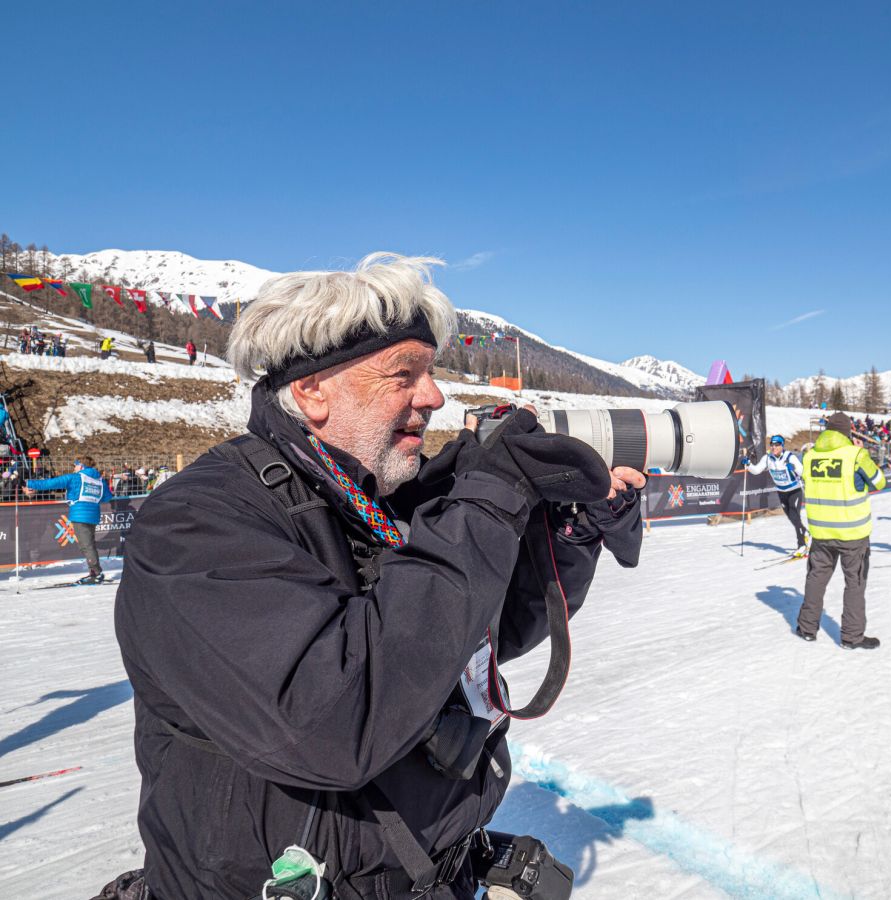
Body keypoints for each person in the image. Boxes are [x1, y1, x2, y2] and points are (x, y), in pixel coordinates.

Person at [102, 254, 645, 900]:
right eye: (404, 374)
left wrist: (569, 535)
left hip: (428, 876)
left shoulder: (378, 499)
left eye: (431, 372)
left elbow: (478, 634)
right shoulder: (199, 524)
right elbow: (334, 720)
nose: (435, 396)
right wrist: (488, 500)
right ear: (313, 390)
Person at [795, 412, 887, 648]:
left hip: (821, 531)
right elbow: (879, 481)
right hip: (852, 532)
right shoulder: (855, 455)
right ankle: (851, 637)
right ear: (847, 432)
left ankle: (807, 628)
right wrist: (862, 454)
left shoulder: (810, 456)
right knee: (854, 582)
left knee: (816, 578)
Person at [24, 455, 113, 584]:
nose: (73, 468)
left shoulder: (75, 477)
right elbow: (107, 497)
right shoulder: (99, 479)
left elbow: (51, 483)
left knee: (86, 546)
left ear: (81, 466)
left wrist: (29, 483)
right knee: (89, 544)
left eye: (75, 465)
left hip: (80, 515)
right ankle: (94, 572)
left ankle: (97, 573)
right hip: (93, 515)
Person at [743, 434, 807, 556]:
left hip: (794, 491)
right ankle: (804, 532)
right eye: (772, 445)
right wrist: (749, 464)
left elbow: (802, 472)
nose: (774, 447)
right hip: (781, 492)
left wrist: (793, 467)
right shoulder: (767, 458)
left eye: (777, 445)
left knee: (795, 516)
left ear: (782, 446)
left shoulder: (790, 457)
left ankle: (802, 545)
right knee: (791, 517)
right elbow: (756, 470)